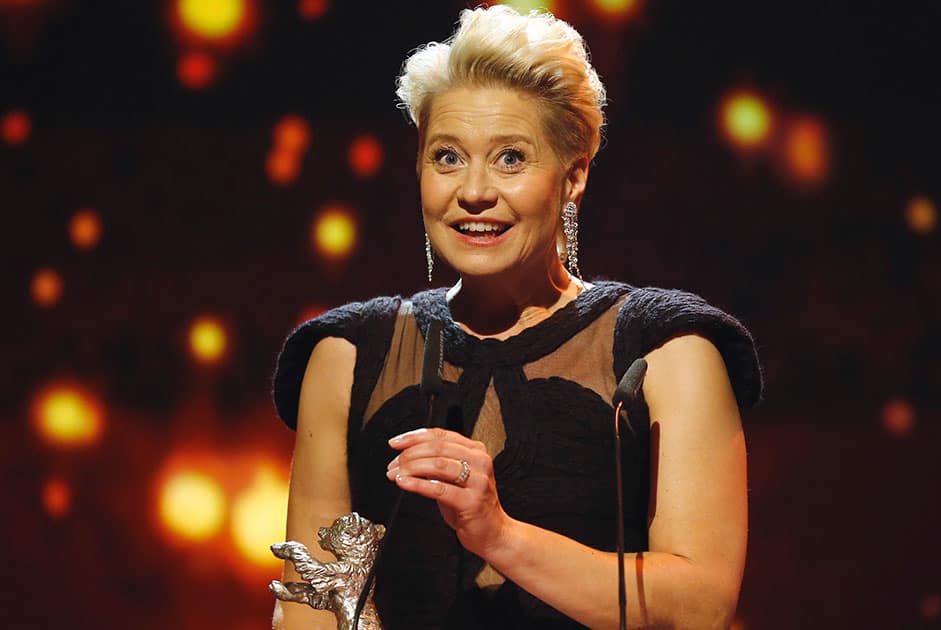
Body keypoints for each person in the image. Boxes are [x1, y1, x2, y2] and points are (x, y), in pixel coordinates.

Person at [271, 5, 762, 629]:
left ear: (574, 176)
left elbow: (700, 609)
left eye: (510, 158)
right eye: (447, 156)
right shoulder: (346, 356)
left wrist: (498, 536)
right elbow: (311, 607)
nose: (473, 190)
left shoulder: (668, 352)